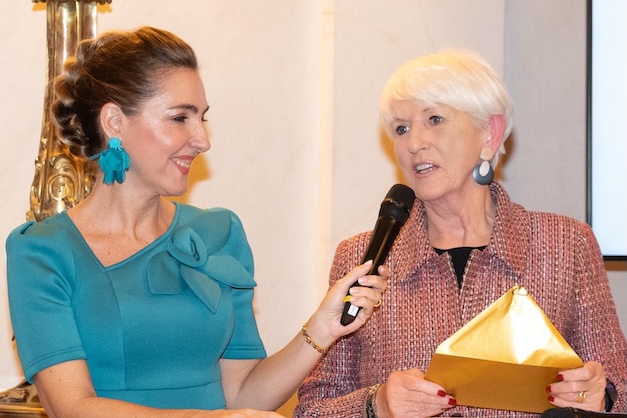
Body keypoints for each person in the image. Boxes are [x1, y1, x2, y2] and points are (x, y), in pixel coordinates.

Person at [6, 26, 388, 418]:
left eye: (202, 118)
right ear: (114, 122)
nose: (203, 140)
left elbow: (242, 395)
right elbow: (70, 407)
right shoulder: (42, 252)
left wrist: (323, 328)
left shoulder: (219, 235)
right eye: (179, 118)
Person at [294, 49, 627, 417]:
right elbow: (311, 410)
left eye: (434, 119)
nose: (414, 143)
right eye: (402, 128)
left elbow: (620, 386)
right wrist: (377, 405)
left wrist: (603, 397)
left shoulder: (565, 244)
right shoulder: (363, 258)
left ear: (490, 133)